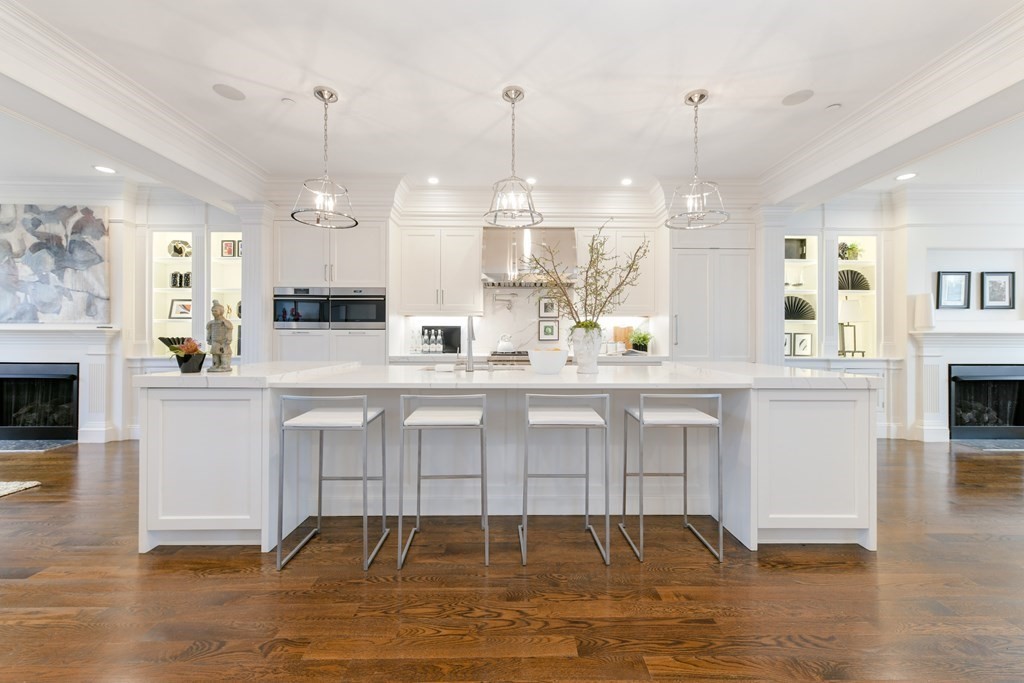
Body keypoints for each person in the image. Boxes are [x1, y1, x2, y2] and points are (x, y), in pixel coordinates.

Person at [206, 299, 234, 372]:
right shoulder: (211, 323)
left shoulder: (225, 322)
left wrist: (229, 338)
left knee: (224, 355)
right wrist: (208, 338)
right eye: (212, 311)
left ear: (221, 311)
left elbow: (229, 329)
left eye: (215, 311)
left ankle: (224, 366)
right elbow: (209, 331)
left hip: (223, 342)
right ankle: (215, 365)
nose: (213, 312)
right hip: (215, 341)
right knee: (215, 355)